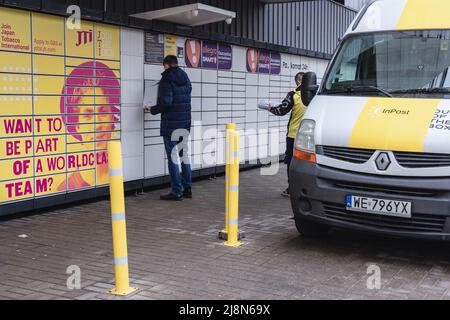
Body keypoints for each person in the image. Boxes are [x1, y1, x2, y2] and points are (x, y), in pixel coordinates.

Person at [147, 55, 193, 201]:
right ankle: (187, 189)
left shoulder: (167, 79)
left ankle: (176, 191)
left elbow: (167, 102)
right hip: (184, 124)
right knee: (183, 156)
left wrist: (152, 109)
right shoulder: (185, 77)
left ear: (165, 65)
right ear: (176, 64)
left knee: (173, 158)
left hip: (171, 126)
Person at [260, 72, 306, 198]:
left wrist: (269, 108)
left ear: (298, 82)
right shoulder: (316, 95)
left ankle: (292, 189)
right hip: (309, 137)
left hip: (293, 135)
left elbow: (281, 110)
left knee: (291, 162)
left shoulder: (293, 95)